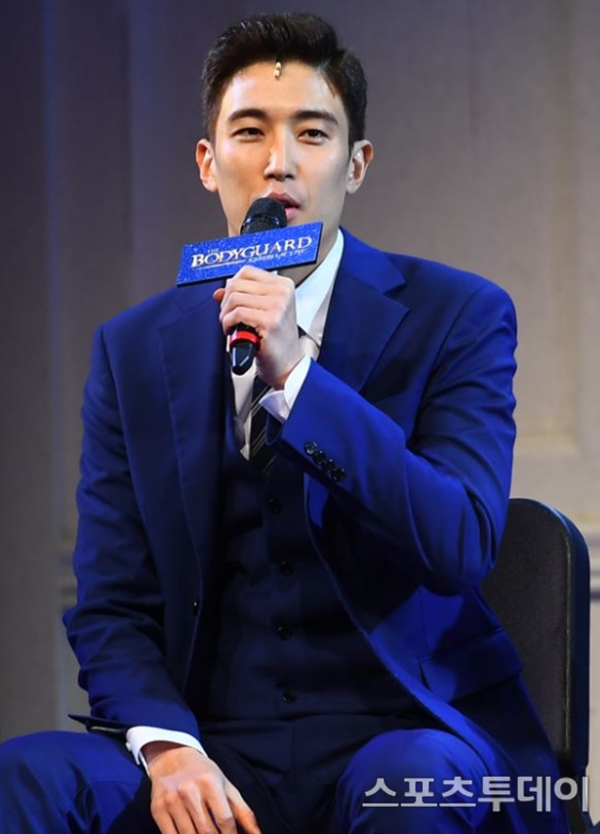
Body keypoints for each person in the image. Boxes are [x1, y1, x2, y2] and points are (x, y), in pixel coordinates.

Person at [0, 11, 568, 834]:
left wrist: (299, 380)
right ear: (207, 162)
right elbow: (112, 605)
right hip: (216, 745)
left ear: (356, 163)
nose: (280, 162)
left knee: (410, 786)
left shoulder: (457, 315)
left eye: (312, 133)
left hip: (403, 731)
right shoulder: (133, 351)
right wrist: (169, 749)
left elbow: (461, 542)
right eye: (250, 132)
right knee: (28, 779)